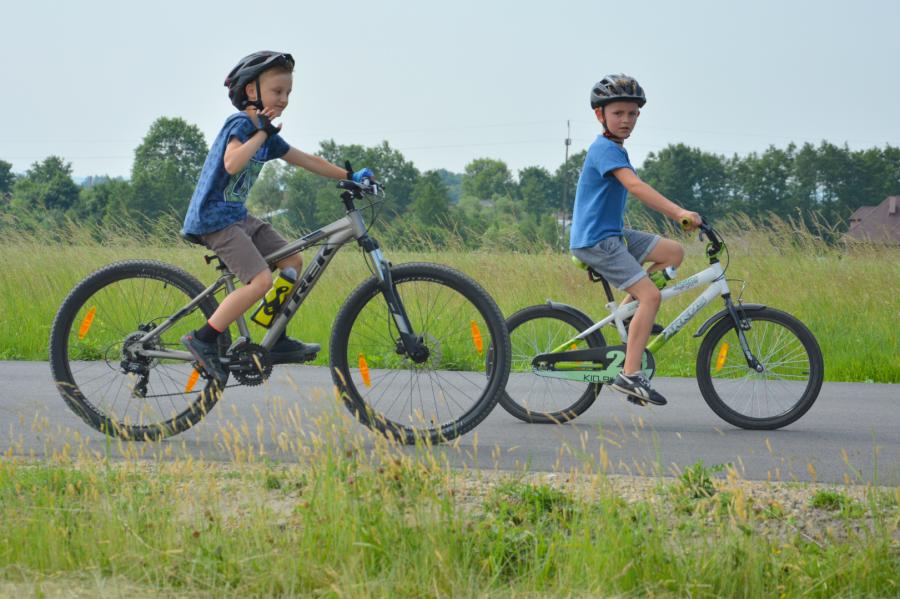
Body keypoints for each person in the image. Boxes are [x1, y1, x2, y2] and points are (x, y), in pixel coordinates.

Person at [180, 50, 373, 387]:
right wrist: (261, 133)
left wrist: (351, 175)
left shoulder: (265, 133)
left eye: (288, 93)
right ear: (251, 91)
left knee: (292, 261)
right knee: (260, 282)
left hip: (237, 217)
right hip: (214, 220)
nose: (284, 99)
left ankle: (276, 335)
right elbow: (231, 163)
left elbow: (307, 160)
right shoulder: (242, 124)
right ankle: (203, 339)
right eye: (277, 91)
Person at [569, 73, 701, 406]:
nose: (626, 120)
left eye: (632, 113)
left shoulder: (615, 148)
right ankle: (629, 375)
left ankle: (628, 316)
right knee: (651, 297)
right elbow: (635, 186)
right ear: (600, 115)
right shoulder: (605, 149)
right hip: (596, 241)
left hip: (613, 235)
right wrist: (679, 212)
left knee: (673, 253)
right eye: (618, 113)